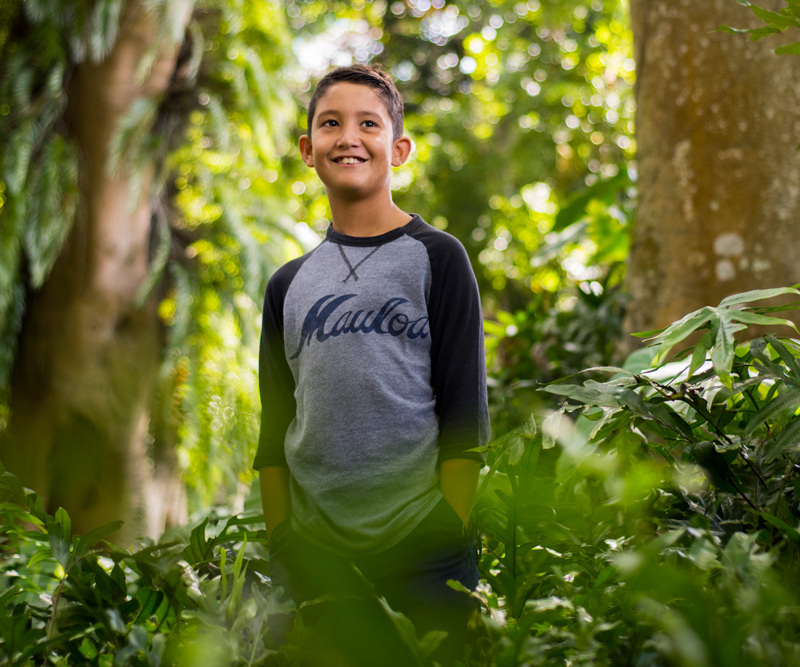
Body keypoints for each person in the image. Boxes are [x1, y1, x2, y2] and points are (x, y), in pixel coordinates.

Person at [254, 64, 490, 666]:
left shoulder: (438, 258)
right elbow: (274, 429)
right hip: (314, 553)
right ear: (309, 150)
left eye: (369, 124)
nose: (348, 137)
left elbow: (465, 412)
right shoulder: (288, 285)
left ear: (399, 148)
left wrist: (448, 524)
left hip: (425, 546)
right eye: (330, 123)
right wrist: (283, 541)